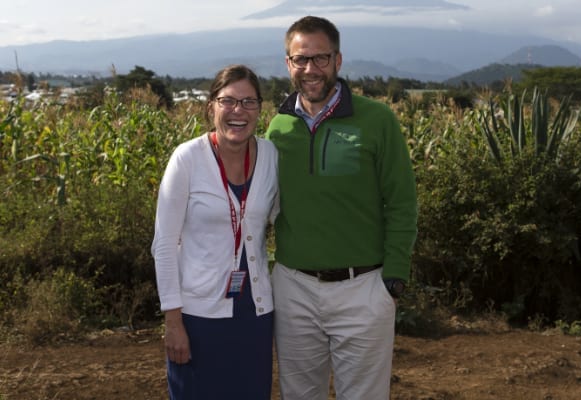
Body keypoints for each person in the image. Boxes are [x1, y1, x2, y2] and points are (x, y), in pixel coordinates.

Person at [266, 16, 418, 400]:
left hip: (363, 288)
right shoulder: (277, 128)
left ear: (338, 60)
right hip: (293, 288)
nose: (310, 69)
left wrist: (395, 275)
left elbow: (401, 201)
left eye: (320, 58)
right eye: (300, 59)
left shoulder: (377, 120)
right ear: (288, 64)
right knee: (299, 395)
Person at [151, 64, 278, 400]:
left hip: (255, 314)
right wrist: (173, 322)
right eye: (229, 101)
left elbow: (287, 218)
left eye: (249, 102)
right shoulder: (187, 158)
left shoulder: (270, 156)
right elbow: (164, 245)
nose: (239, 111)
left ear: (260, 109)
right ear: (212, 107)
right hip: (198, 317)